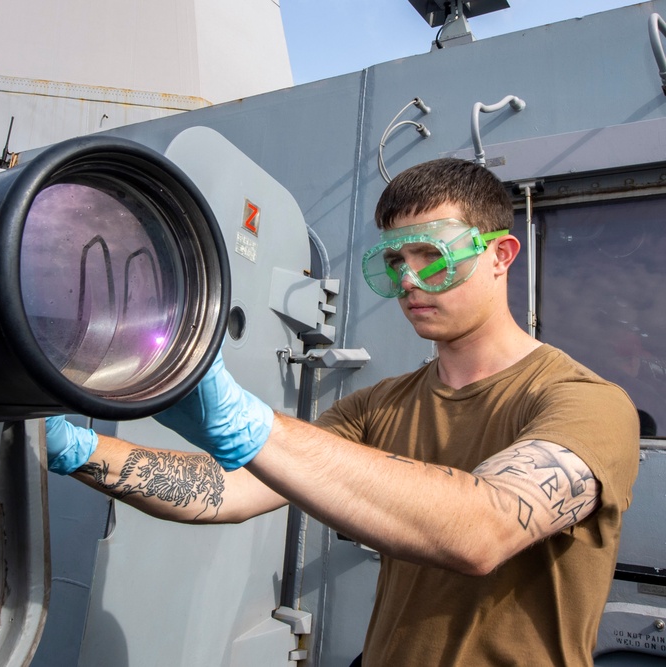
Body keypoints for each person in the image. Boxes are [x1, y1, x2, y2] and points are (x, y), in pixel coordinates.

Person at [45, 157, 640, 666]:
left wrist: (251, 426)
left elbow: (484, 531)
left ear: (500, 255)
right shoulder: (378, 407)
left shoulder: (586, 403)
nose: (408, 279)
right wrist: (73, 449)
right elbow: (228, 492)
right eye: (393, 261)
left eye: (430, 255)